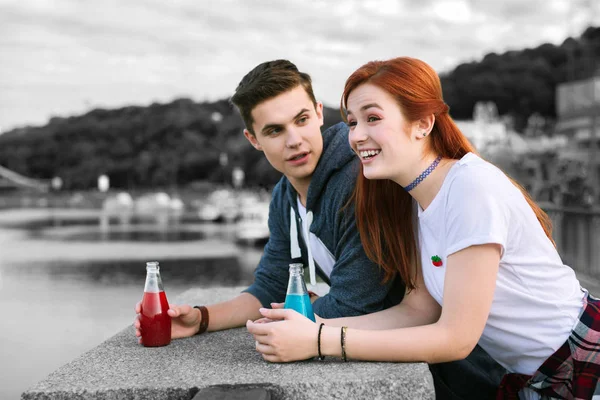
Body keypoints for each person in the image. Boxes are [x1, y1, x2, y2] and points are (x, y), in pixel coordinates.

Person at [247, 57, 600, 400]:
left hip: (584, 358)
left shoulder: (469, 187)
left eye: (373, 118)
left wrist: (318, 342)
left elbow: (456, 338)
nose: (357, 136)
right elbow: (418, 310)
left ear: (423, 124)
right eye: (352, 122)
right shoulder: (416, 201)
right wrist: (312, 328)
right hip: (535, 377)